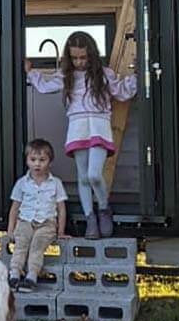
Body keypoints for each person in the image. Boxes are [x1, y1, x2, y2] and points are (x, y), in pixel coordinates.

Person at [24, 30, 137, 239]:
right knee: (83, 177)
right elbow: (45, 85)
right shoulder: (66, 76)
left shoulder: (104, 74)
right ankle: (90, 218)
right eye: (74, 57)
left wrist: (139, 75)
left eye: (83, 57)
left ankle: (103, 209)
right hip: (77, 127)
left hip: (99, 126)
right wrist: (30, 71)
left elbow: (122, 91)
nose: (79, 62)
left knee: (94, 174)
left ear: (91, 55)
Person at [5, 139, 68, 291]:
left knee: (37, 245)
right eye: (33, 160)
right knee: (21, 244)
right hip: (25, 221)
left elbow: (61, 208)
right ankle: (14, 274)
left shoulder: (56, 183)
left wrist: (60, 231)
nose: (37, 164)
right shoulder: (22, 183)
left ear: (50, 162)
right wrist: (10, 229)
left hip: (47, 223)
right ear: (27, 161)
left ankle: (31, 276)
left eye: (42, 160)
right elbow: (15, 208)